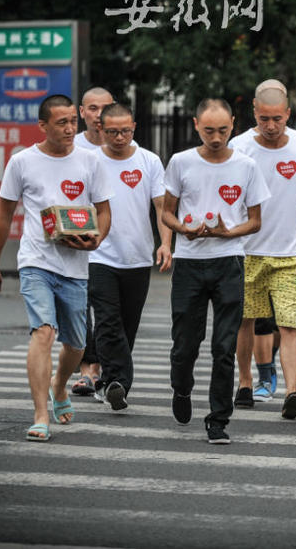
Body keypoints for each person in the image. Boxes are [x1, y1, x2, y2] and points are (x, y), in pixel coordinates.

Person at [0, 94, 112, 442]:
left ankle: (59, 385)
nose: (71, 128)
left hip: (76, 264)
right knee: (43, 332)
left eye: (73, 120)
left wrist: (96, 240)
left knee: (76, 344)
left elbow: (103, 211)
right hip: (36, 261)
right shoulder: (22, 162)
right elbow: (4, 215)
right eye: (62, 122)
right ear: (43, 126)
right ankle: (40, 414)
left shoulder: (90, 161)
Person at [160, 98, 271, 444]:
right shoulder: (181, 162)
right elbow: (166, 213)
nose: (217, 137)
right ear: (196, 125)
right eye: (209, 130)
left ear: (233, 125)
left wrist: (227, 232)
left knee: (224, 347)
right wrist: (182, 229)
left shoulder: (247, 166)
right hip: (190, 262)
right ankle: (182, 388)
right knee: (185, 344)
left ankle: (218, 418)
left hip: (229, 262)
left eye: (223, 130)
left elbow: (255, 222)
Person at [230, 79, 296, 416]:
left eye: (277, 119)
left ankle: (292, 392)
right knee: (245, 321)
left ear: (288, 114)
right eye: (264, 118)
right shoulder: (240, 147)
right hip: (246, 250)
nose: (270, 126)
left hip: (290, 254)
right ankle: (244, 382)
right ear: (254, 111)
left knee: (290, 325)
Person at [88, 102, 173, 411]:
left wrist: (165, 244)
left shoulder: (148, 161)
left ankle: (109, 383)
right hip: (99, 255)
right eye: (112, 132)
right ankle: (119, 382)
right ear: (100, 130)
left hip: (137, 257)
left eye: (125, 131)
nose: (120, 137)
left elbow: (162, 207)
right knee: (108, 321)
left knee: (126, 326)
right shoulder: (90, 161)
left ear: (134, 128)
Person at [71, 86, 113, 395]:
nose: (99, 115)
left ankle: (100, 369)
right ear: (81, 112)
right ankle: (89, 370)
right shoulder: (69, 147)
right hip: (78, 245)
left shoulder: (126, 146)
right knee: (79, 310)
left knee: (110, 313)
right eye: (93, 108)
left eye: (105, 108)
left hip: (116, 248)